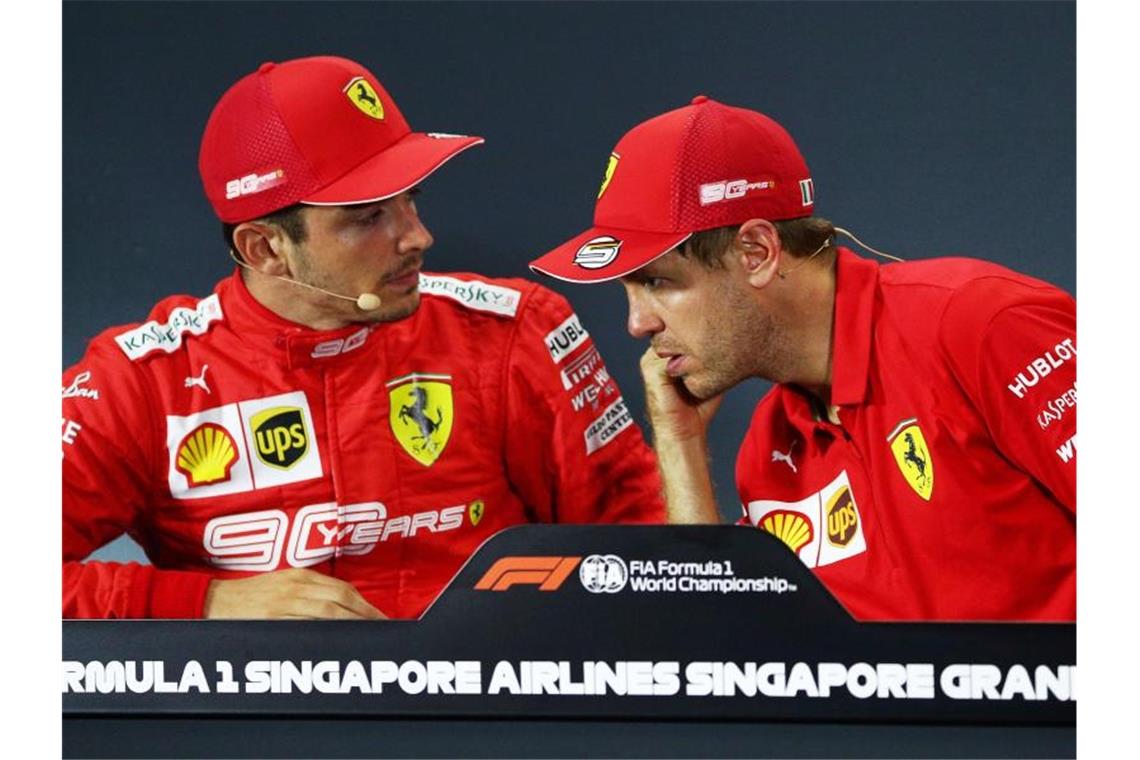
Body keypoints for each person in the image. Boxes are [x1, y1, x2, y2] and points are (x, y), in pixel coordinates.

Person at [62, 56, 664, 620]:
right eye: (368, 215)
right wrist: (208, 601)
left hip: (493, 718)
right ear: (265, 249)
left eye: (410, 200)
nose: (417, 237)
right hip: (262, 728)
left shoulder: (515, 329)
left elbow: (647, 555)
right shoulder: (139, 381)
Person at [529, 95, 1075, 621]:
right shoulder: (771, 446)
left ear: (757, 253)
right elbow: (724, 669)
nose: (637, 324)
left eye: (657, 282)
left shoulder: (979, 323)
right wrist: (681, 446)